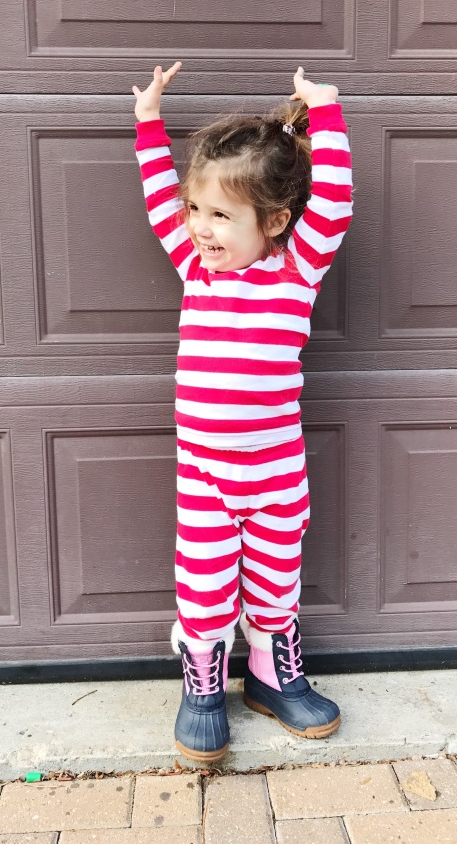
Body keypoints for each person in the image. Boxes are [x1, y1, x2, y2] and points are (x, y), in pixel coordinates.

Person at [132, 61, 353, 762]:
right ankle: (203, 685)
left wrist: (326, 111)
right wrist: (147, 123)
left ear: (276, 220)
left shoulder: (297, 269)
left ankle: (270, 675)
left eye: (222, 215)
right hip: (205, 471)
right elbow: (158, 197)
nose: (201, 228)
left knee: (275, 576)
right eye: (196, 211)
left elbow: (335, 202)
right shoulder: (196, 268)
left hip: (277, 468)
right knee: (203, 582)